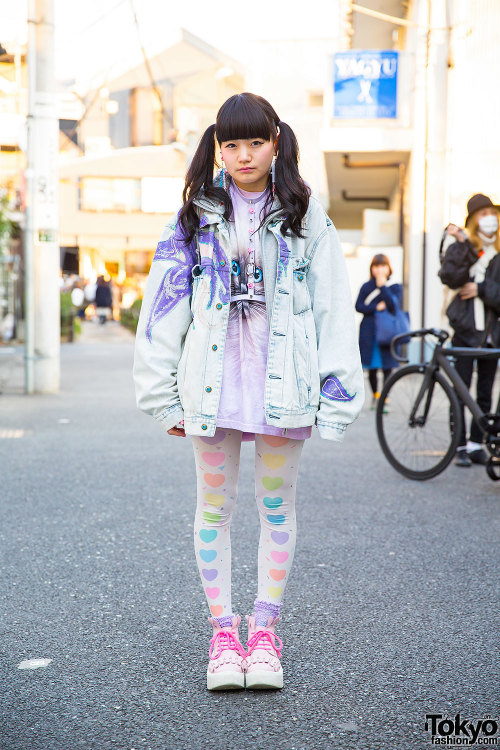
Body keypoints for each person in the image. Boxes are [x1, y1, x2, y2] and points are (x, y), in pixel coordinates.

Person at [133, 92, 364, 691]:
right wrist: (161, 394)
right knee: (214, 507)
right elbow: (162, 308)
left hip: (283, 383)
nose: (243, 154)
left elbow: (335, 307)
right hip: (211, 388)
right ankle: (223, 636)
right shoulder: (192, 218)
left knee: (276, 507)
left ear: (277, 141)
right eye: (230, 143)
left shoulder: (305, 214)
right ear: (216, 147)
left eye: (255, 141)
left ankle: (264, 633)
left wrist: (337, 394)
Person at [439, 193, 500, 467]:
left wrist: (482, 289)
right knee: (460, 389)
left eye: (492, 213)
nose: (489, 218)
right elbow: (450, 277)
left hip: (491, 332)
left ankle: (478, 443)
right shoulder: (463, 246)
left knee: (485, 391)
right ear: (474, 220)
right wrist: (463, 245)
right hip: (465, 328)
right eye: (483, 213)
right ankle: (459, 444)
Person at [355, 254, 403, 409]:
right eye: (376, 266)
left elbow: (393, 306)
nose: (380, 269)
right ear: (372, 269)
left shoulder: (395, 287)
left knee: (388, 366)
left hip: (388, 333)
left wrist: (382, 286)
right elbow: (359, 306)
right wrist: (375, 307)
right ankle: (376, 395)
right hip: (370, 332)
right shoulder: (366, 286)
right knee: (373, 367)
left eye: (383, 266)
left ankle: (385, 397)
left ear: (389, 268)